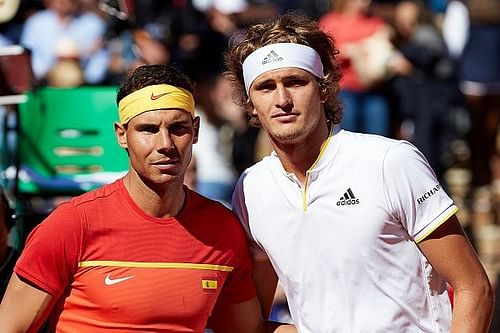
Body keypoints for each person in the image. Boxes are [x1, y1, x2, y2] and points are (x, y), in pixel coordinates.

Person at [225, 13, 494, 332]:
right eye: (266, 87)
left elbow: (473, 287)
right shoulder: (252, 187)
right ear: (250, 103)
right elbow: (250, 322)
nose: (282, 99)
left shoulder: (389, 161)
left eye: (295, 82)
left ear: (323, 88)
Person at [0, 64, 296, 333]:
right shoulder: (72, 223)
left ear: (195, 131)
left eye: (177, 128)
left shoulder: (222, 228)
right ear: (121, 135)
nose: (165, 144)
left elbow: (247, 331)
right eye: (148, 130)